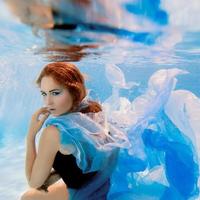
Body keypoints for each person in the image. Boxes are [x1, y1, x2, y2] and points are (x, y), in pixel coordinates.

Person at [20, 62, 128, 200]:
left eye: (55, 93)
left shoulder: (53, 131)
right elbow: (79, 163)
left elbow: (33, 182)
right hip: (104, 189)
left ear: (74, 91)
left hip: (82, 195)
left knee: (27, 197)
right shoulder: (93, 113)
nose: (48, 102)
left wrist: (30, 136)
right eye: (44, 93)